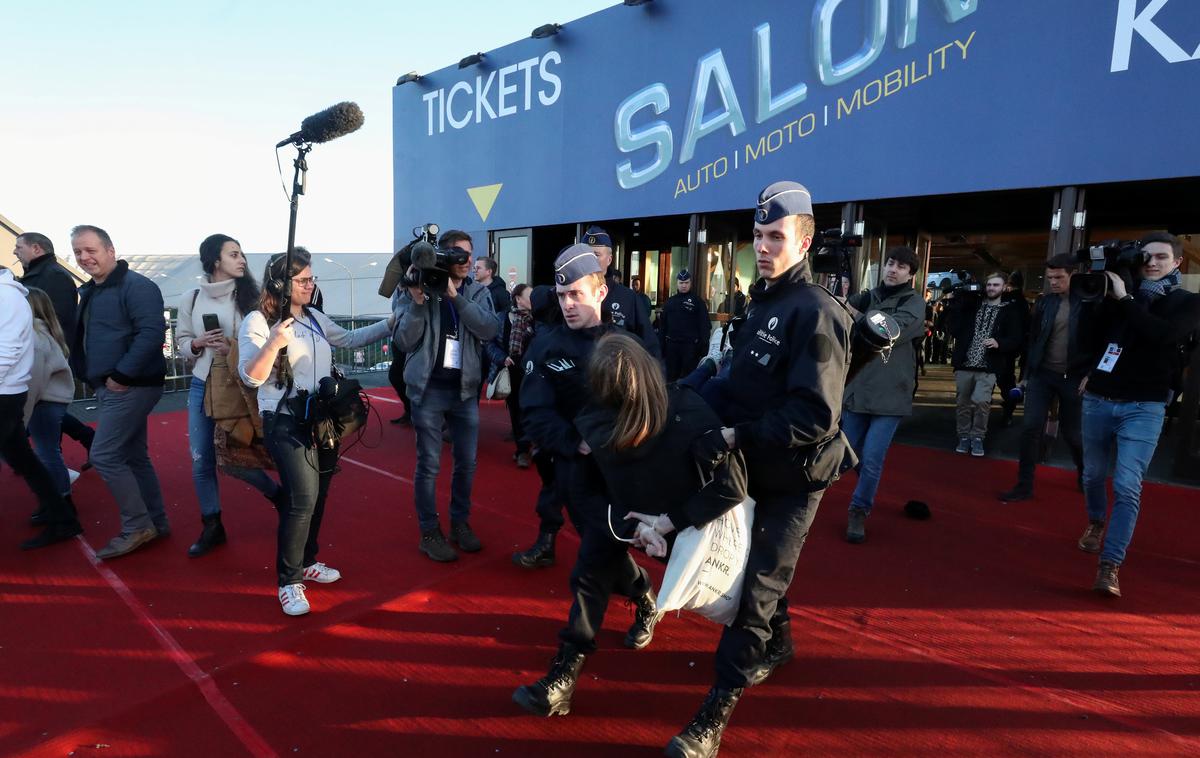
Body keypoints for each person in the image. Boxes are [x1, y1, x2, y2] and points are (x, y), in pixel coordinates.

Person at [665, 182, 855, 758]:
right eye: (758, 236)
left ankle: (712, 719)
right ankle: (779, 646)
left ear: (804, 240)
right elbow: (736, 385)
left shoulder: (817, 312)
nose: (765, 247)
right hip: (753, 464)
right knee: (758, 573)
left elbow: (815, 415)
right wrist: (680, 399)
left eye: (777, 237)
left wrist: (733, 434)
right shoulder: (763, 302)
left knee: (757, 594)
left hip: (797, 476)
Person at [512, 333, 747, 718]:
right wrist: (626, 527)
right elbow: (584, 490)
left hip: (688, 523)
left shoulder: (689, 411)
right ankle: (565, 676)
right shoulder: (593, 420)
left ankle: (775, 634)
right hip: (624, 518)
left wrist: (668, 524)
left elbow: (732, 486)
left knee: (749, 593)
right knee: (588, 577)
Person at [517, 245, 661, 646]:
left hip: (624, 472)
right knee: (605, 548)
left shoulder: (627, 344)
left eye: (576, 294)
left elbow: (653, 400)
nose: (567, 304)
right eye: (562, 296)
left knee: (595, 559)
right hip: (574, 473)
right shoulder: (545, 346)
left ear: (600, 292)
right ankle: (644, 596)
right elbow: (534, 413)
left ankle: (572, 654)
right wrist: (574, 442)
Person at [239, 249, 395, 615]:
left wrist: (391, 323)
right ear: (281, 284)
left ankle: (307, 561)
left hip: (321, 418)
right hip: (284, 418)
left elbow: (349, 339)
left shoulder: (313, 317)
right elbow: (250, 376)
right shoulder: (258, 322)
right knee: (301, 499)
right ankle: (289, 580)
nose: (311, 285)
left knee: (320, 493)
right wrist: (274, 342)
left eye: (312, 279)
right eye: (303, 280)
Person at [1076, 232, 1200, 597]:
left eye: (1161, 257)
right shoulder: (1117, 298)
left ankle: (1110, 565)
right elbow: (1092, 339)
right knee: (1093, 475)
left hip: (1145, 406)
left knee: (1128, 486)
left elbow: (1162, 335)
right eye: (1145, 257)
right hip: (1099, 398)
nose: (1152, 263)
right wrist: (1097, 299)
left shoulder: (1187, 302)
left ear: (1177, 263)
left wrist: (1125, 298)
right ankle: (1097, 521)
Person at [393, 232, 498, 562]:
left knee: (467, 463)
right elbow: (404, 341)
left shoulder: (478, 291)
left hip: (465, 391)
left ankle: (460, 524)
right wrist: (417, 300)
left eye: (470, 255)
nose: (466, 261)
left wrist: (456, 297)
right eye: (458, 254)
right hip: (428, 390)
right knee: (429, 465)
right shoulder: (416, 287)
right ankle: (429, 531)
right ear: (442, 255)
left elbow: (490, 330)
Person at [176, 234, 283, 557]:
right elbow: (182, 340)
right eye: (233, 254)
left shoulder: (253, 298)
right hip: (201, 383)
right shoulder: (192, 298)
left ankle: (277, 495)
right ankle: (212, 524)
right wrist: (196, 344)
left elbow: (265, 345)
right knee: (201, 460)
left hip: (236, 387)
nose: (242, 260)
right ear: (215, 260)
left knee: (235, 459)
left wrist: (231, 347)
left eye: (242, 254)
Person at [70, 225, 170, 560]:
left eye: (91, 250)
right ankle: (156, 521)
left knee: (104, 455)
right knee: (133, 456)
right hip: (114, 384)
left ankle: (138, 525)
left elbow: (151, 332)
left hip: (130, 385)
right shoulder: (94, 290)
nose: (84, 258)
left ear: (110, 250)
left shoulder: (136, 286)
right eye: (78, 252)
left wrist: (122, 375)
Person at [840, 246, 927, 544]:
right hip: (858, 389)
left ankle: (859, 509)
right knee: (849, 454)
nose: (892, 269)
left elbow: (890, 329)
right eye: (890, 263)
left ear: (910, 275)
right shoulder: (868, 295)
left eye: (901, 266)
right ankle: (866, 489)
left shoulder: (914, 303)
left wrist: (856, 312)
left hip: (891, 395)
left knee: (873, 458)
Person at [999, 254, 1092, 502]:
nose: (1053, 282)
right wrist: (1026, 376)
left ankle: (1084, 474)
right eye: (1050, 277)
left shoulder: (1089, 302)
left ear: (1073, 274)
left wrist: (1091, 374)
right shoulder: (1045, 303)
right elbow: (1034, 341)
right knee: (1030, 428)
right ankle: (1024, 486)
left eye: (1059, 277)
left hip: (1074, 376)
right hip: (1042, 374)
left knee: (1073, 434)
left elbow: (1101, 341)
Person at [1, 270, 82, 550]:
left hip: (12, 396)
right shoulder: (13, 298)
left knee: (41, 455)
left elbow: (8, 353)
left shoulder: (7, 297)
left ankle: (63, 514)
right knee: (28, 460)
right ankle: (62, 516)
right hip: (18, 396)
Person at [14, 232, 95, 460]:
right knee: (45, 406)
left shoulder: (54, 277)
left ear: (37, 249)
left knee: (44, 406)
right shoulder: (37, 276)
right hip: (36, 352)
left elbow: (55, 319)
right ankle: (82, 440)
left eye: (19, 247)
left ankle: (52, 463)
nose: (15, 252)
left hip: (45, 354)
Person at [511, 284, 570, 568]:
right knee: (554, 493)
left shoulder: (551, 337)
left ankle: (636, 585)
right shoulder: (547, 336)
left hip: (572, 436)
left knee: (591, 514)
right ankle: (546, 544)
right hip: (557, 435)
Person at [945, 272, 1023, 457]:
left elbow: (1017, 338)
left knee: (981, 401)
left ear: (1004, 287)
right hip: (965, 363)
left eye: (996, 285)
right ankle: (964, 436)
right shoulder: (972, 306)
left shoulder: (1010, 310)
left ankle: (978, 437)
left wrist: (1000, 343)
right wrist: (957, 303)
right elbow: (953, 329)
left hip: (988, 365)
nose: (991, 288)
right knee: (962, 403)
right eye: (989, 285)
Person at [24, 287, 78, 521]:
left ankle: (61, 503)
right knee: (47, 453)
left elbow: (34, 380)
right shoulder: (45, 332)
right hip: (48, 401)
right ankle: (57, 500)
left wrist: (21, 415)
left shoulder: (35, 337)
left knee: (47, 454)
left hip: (43, 402)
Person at [583, 225, 658, 355]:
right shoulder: (569, 296)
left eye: (596, 255)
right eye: (585, 255)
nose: (590, 260)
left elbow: (650, 346)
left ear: (609, 259)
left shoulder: (627, 298)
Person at [659, 269, 711, 381]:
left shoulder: (697, 302)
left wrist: (703, 348)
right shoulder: (669, 302)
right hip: (672, 346)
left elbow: (705, 326)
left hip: (690, 348)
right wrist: (661, 347)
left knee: (688, 380)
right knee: (671, 379)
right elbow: (663, 326)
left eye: (686, 282)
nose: (684, 285)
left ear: (690, 283)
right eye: (681, 283)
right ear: (677, 283)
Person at [505, 284, 535, 468]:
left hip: (534, 370)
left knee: (533, 409)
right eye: (529, 296)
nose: (533, 300)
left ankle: (535, 444)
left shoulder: (538, 319)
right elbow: (492, 343)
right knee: (516, 410)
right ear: (518, 299)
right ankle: (523, 449)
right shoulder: (505, 317)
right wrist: (502, 357)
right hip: (513, 370)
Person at [998, 271, 1032, 426]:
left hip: (1001, 346)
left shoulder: (1006, 299)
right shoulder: (1023, 302)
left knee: (1002, 379)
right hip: (1014, 347)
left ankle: (1009, 407)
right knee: (1007, 378)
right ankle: (1009, 409)